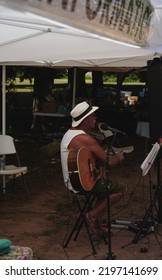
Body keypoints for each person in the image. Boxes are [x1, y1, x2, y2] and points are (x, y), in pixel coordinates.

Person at [60, 101, 127, 239]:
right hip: (81, 183)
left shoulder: (69, 134)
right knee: (121, 189)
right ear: (85, 120)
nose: (95, 119)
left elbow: (86, 158)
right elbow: (109, 161)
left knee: (104, 189)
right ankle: (92, 216)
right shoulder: (85, 138)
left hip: (74, 180)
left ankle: (96, 226)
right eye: (93, 116)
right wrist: (120, 157)